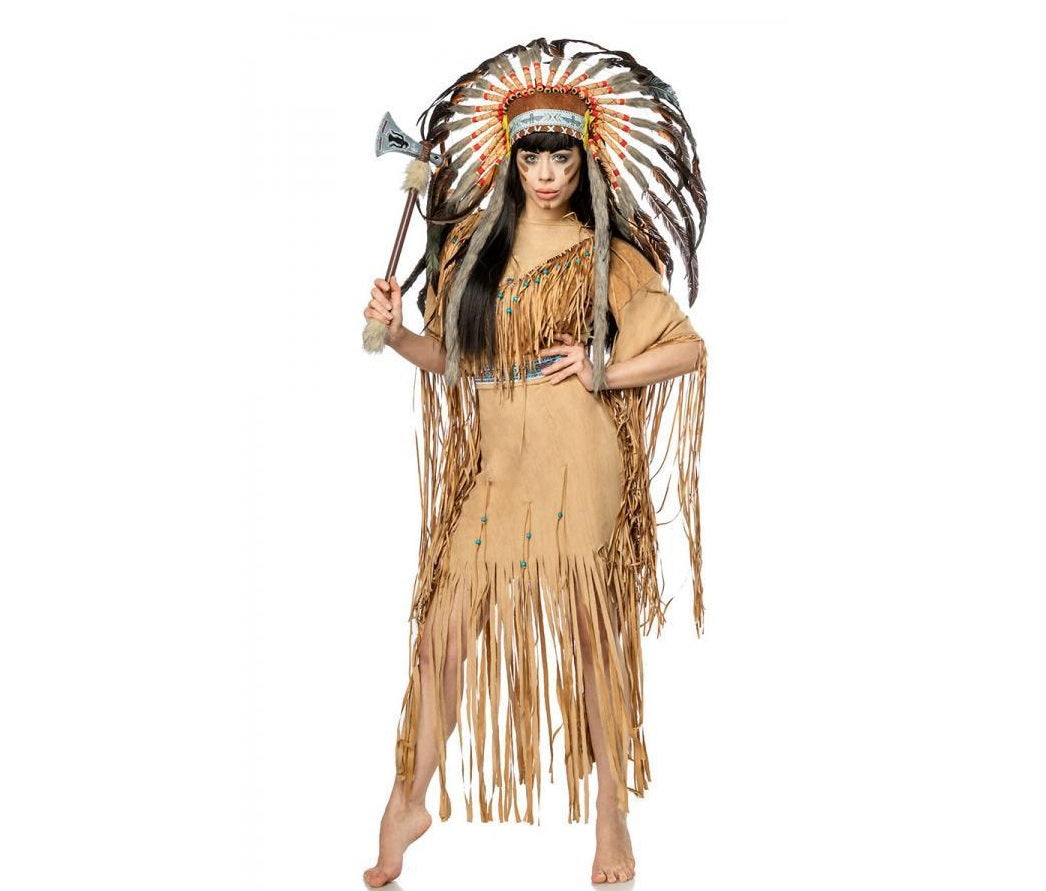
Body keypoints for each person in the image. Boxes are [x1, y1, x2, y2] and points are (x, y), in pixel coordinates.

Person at [361, 38, 709, 886]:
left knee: (594, 640)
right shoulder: (470, 252)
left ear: (583, 160)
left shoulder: (607, 254)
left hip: (578, 465)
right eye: (532, 156)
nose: (547, 173)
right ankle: (409, 798)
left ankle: (611, 811)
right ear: (510, 161)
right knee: (443, 635)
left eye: (561, 157)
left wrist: (603, 371)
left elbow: (687, 348)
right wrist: (395, 331)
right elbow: (453, 363)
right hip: (499, 473)